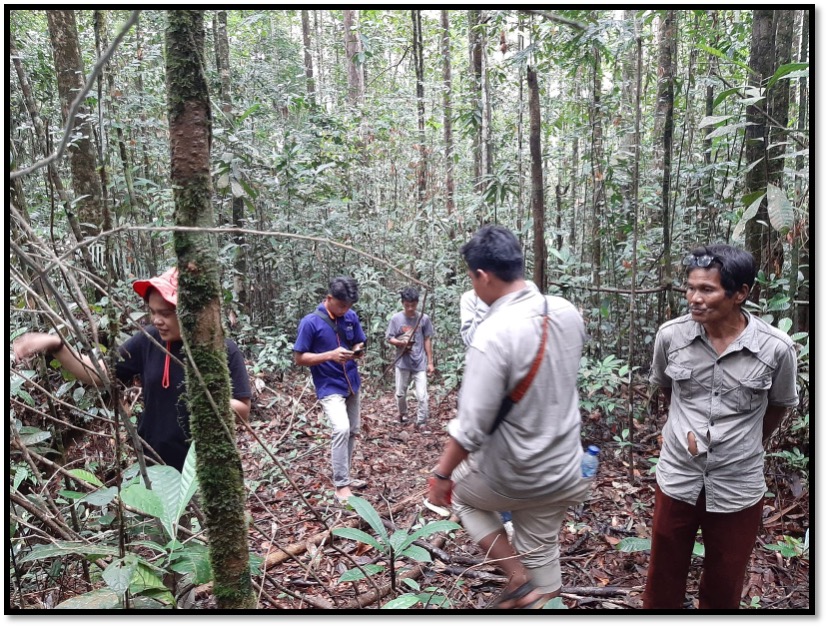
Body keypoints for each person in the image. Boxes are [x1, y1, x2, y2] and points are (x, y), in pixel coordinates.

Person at [428, 225, 589, 609]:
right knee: (543, 565)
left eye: (471, 277)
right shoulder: (565, 311)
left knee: (464, 500)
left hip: (515, 474)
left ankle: (516, 575)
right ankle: (537, 591)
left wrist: (441, 476)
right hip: (566, 471)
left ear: (482, 276)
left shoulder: (492, 333)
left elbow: (470, 429)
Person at [642, 244, 799, 609]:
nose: (694, 298)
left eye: (707, 290)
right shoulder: (671, 336)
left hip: (737, 484)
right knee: (662, 578)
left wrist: (742, 445)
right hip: (678, 477)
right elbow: (667, 389)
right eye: (690, 288)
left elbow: (778, 406)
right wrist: (681, 431)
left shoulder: (776, 349)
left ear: (740, 293)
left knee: (724, 583)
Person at [12, 267, 252, 472]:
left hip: (205, 470)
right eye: (153, 312)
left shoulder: (221, 348)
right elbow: (98, 374)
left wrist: (207, 397)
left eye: (166, 314)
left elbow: (243, 411)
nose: (157, 320)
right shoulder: (149, 340)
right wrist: (57, 345)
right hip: (155, 465)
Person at [293, 276, 368, 504]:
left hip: (351, 381)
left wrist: (356, 350)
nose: (346, 310)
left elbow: (359, 341)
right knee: (341, 428)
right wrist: (330, 355)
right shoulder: (310, 322)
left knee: (353, 430)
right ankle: (341, 486)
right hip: (328, 384)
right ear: (329, 299)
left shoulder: (350, 317)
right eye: (342, 305)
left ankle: (346, 475)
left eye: (349, 306)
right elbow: (299, 358)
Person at [385, 286, 435, 428]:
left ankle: (422, 422)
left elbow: (427, 339)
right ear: (403, 303)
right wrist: (401, 343)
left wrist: (430, 362)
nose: (410, 308)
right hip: (402, 362)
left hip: (419, 362)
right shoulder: (396, 319)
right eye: (407, 305)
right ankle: (403, 414)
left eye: (413, 305)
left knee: (422, 396)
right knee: (400, 394)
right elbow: (389, 338)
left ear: (417, 303)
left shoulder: (423, 319)